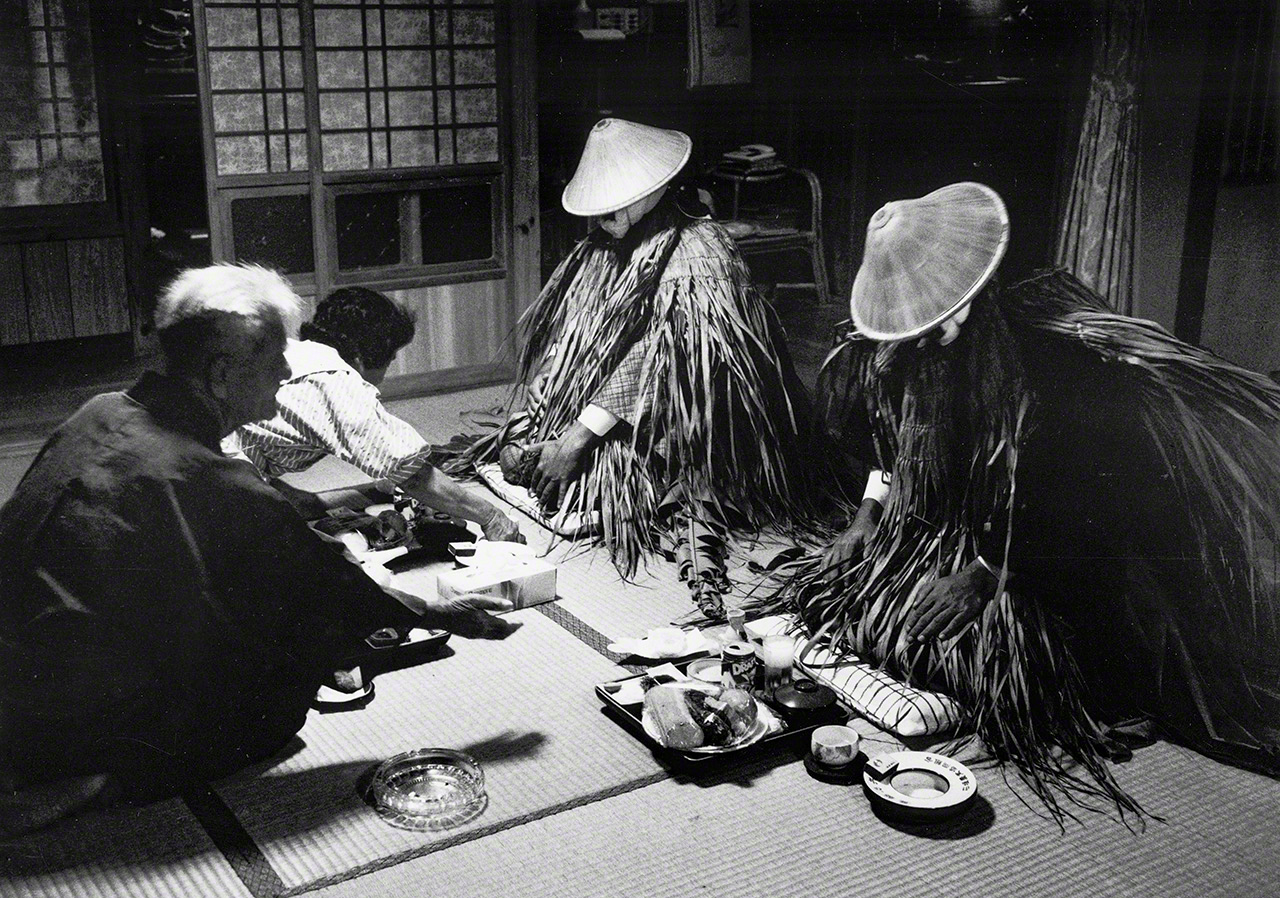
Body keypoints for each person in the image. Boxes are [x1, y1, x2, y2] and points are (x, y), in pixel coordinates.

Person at [784, 182, 1280, 819]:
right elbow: (890, 447)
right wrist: (866, 516)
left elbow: (1077, 503)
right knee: (842, 610)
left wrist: (987, 574)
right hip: (948, 529)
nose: (937, 330)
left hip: (1039, 553)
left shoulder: (1053, 368)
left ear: (978, 287)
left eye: (947, 314)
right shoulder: (897, 354)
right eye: (922, 322)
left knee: (964, 661)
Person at [0, 263, 513, 837]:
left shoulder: (100, 410)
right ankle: (98, 775)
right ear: (221, 373)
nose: (287, 370)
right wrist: (439, 613)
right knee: (273, 693)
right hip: (65, 708)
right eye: (274, 360)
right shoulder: (200, 473)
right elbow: (319, 580)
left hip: (19, 666)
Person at [467, 117, 815, 620]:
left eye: (617, 199)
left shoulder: (699, 251)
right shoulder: (603, 244)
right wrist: (540, 400)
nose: (604, 213)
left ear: (655, 188)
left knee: (627, 482)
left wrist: (577, 439)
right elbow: (576, 335)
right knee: (525, 457)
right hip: (601, 405)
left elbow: (661, 359)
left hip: (687, 412)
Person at [224, 286, 524, 544]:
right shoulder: (335, 380)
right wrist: (491, 516)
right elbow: (412, 475)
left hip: (206, 463)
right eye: (390, 359)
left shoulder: (295, 351)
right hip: (213, 492)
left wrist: (290, 496)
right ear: (361, 356)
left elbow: (247, 438)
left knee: (307, 506)